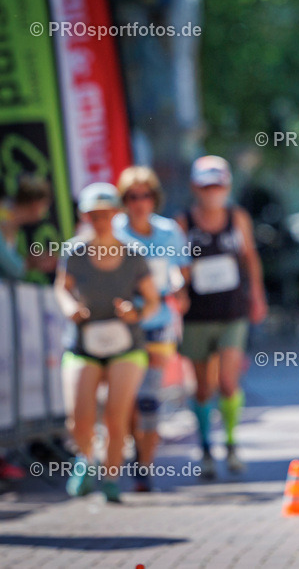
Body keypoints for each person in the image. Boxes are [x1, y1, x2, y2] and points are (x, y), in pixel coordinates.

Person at [56, 183, 159, 502]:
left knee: (117, 416)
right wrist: (70, 307)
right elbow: (61, 288)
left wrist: (136, 311)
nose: (99, 220)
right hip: (83, 344)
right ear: (84, 216)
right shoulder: (73, 251)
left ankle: (111, 478)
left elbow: (153, 301)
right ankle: (85, 461)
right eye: (93, 215)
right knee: (79, 418)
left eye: (105, 214)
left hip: (126, 345)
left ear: (116, 214)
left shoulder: (133, 253)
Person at [176, 156, 267, 479]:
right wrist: (178, 289)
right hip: (197, 316)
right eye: (206, 186)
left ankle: (230, 445)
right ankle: (205, 448)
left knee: (228, 382)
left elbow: (249, 257)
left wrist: (257, 295)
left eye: (218, 185)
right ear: (195, 188)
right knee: (203, 388)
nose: (212, 192)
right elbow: (175, 266)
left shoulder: (237, 217)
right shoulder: (183, 223)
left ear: (227, 186)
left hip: (232, 312)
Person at [114, 167, 191, 492]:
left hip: (158, 324)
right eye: (132, 196)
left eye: (145, 195)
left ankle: (144, 466)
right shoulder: (113, 233)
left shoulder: (168, 231)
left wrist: (177, 288)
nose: (139, 202)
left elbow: (183, 274)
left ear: (154, 198)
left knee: (148, 398)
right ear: (124, 200)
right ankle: (134, 452)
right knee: (128, 399)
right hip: (123, 327)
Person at [0, 176, 53, 279]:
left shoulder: (12, 223)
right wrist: (29, 263)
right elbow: (13, 267)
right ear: (36, 204)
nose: (45, 212)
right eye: (45, 205)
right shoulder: (3, 214)